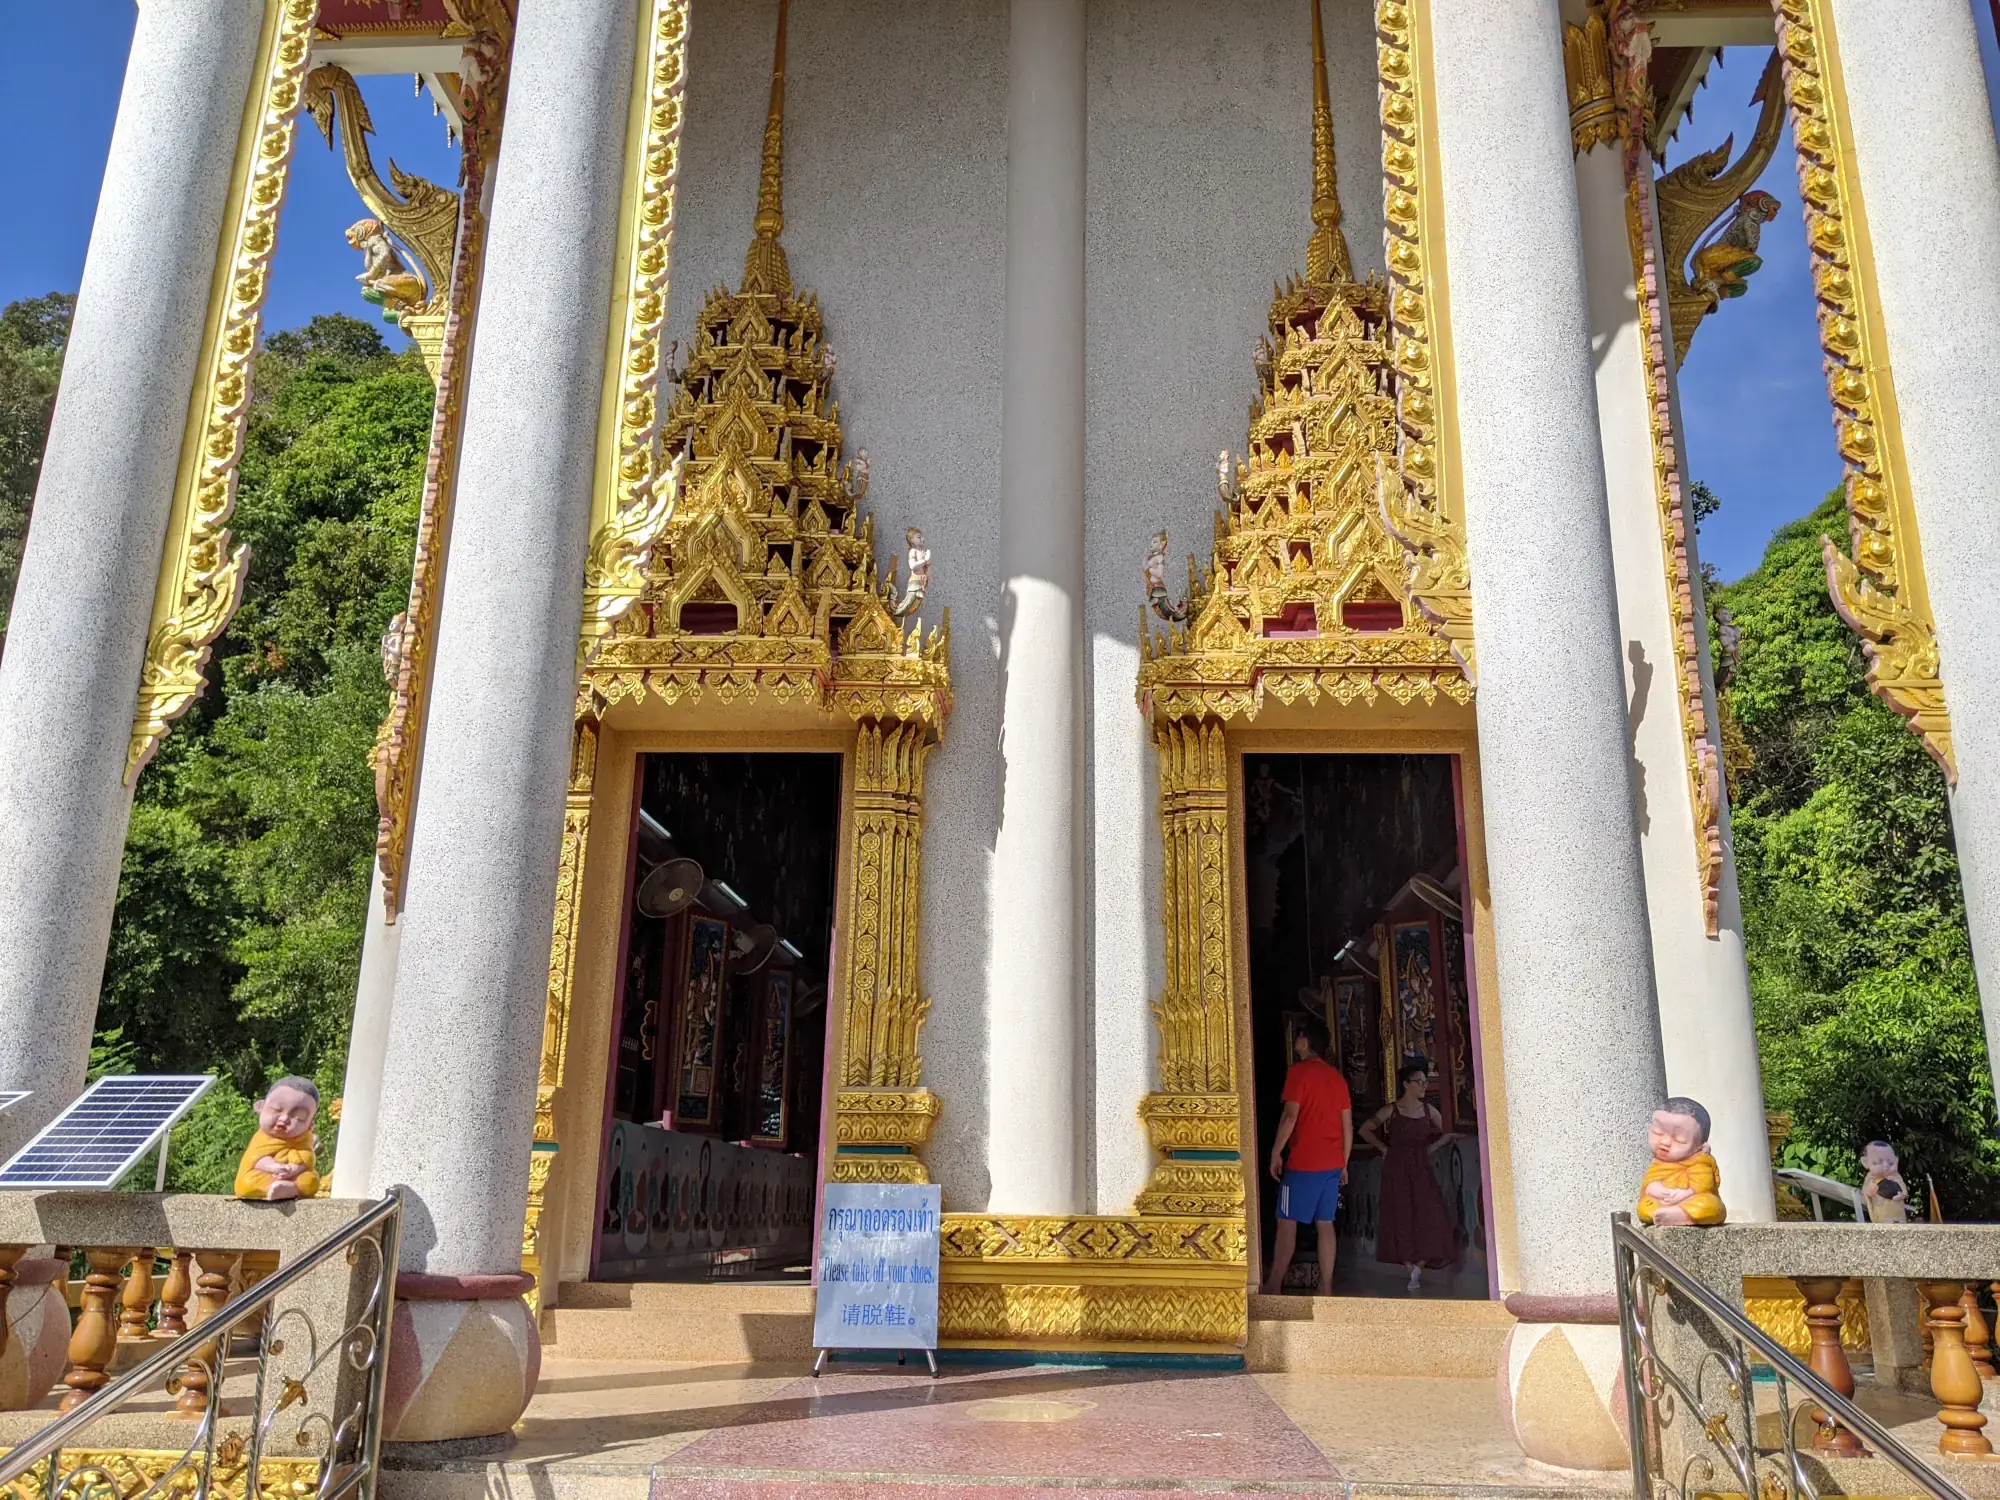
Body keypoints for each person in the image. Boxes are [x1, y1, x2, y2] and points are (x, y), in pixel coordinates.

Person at [1262, 1018, 1352, 1296]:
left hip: (1303, 1163)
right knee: (1325, 1223)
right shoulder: (1336, 1078)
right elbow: (1347, 1125)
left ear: (1305, 1042)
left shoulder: (1299, 1073)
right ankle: (1326, 1287)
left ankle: (1274, 1283)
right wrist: (1344, 1164)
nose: (1296, 1040)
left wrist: (1276, 1151)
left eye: (1299, 1035)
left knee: (1286, 1221)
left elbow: (1290, 1116)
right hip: (1332, 1165)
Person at [1361, 1063, 1457, 1292]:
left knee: (1428, 1213)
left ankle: (1420, 1266)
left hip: (1421, 1168)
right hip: (1396, 1169)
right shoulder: (1391, 1110)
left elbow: (1447, 1131)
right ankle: (1409, 1268)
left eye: (1425, 1082)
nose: (1424, 1086)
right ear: (1406, 1084)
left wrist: (1433, 1147)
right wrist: (1383, 1148)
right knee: (1400, 1215)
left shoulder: (1429, 1111)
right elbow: (1364, 1129)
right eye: (1419, 1082)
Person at [1636, 1096, 1727, 1227]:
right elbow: (1649, 1183)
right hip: (1662, 1200)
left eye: (1679, 1139)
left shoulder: (1699, 1161)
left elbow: (1703, 1184)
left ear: (1701, 1147)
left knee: (1709, 1205)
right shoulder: (1657, 1164)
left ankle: (1682, 1215)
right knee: (1644, 1206)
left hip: (1690, 1198)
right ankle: (1662, 1215)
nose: (1665, 1142)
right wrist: (1655, 1189)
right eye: (1658, 1132)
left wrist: (1685, 1194)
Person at [234, 1077, 322, 1202]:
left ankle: (291, 1189)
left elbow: (306, 1159)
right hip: (266, 1173)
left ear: (310, 1125)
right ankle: (273, 1188)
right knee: (247, 1183)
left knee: (310, 1180)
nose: (284, 1119)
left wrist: (292, 1170)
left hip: (291, 1175)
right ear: (260, 1106)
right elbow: (256, 1157)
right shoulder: (261, 1138)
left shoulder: (304, 1139)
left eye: (298, 1117)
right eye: (276, 1109)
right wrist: (273, 1167)